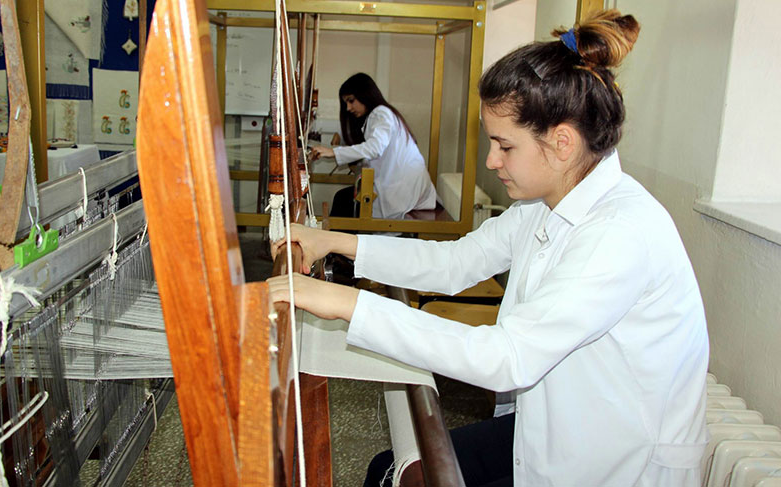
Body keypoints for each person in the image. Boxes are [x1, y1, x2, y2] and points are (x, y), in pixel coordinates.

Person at [268, 10, 710, 487]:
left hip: (615, 458)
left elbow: (507, 357)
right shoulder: (546, 203)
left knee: (407, 478)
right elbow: (456, 262)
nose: (491, 160)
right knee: (388, 471)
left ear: (562, 142)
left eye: (504, 145)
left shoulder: (620, 233)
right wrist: (331, 241)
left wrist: (343, 302)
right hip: (554, 426)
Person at [311, 73, 437, 219]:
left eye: (351, 101)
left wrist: (333, 152)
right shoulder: (379, 115)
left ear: (365, 95)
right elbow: (372, 145)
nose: (348, 108)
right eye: (346, 103)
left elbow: (374, 148)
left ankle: (336, 241)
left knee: (343, 200)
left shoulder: (380, 114)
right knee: (344, 199)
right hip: (400, 187)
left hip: (402, 190)